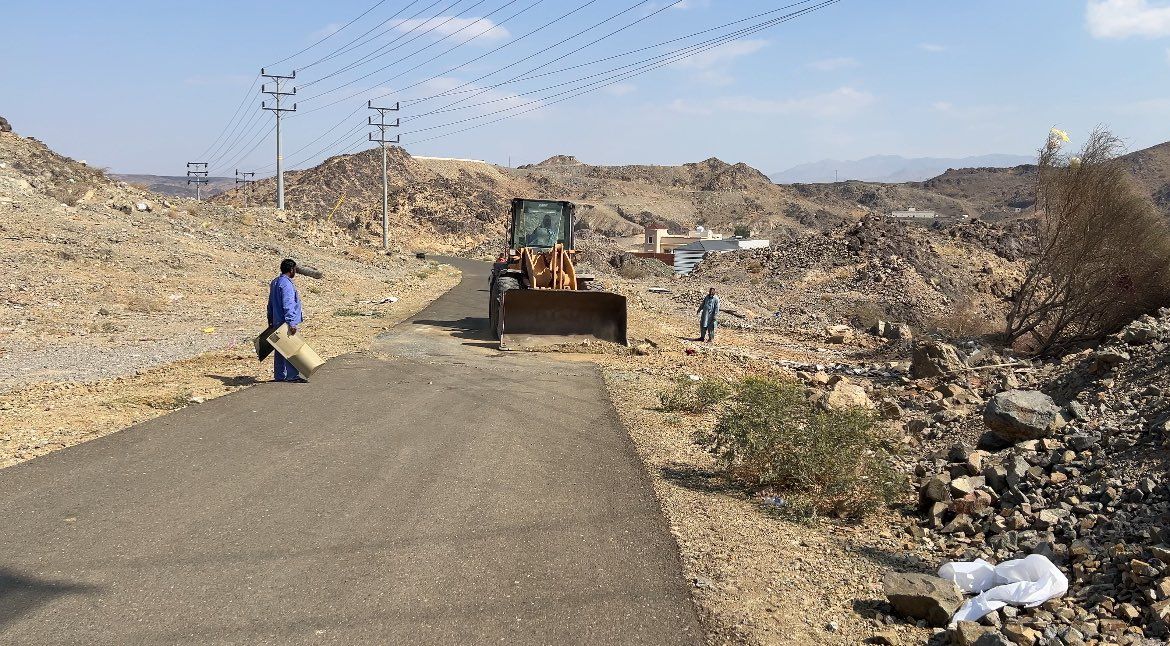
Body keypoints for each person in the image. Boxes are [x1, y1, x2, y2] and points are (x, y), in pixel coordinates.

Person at [268, 258, 306, 383]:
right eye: (295, 269)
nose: (295, 272)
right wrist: (292, 323)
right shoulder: (286, 284)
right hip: (285, 321)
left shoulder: (275, 282)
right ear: (291, 269)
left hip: (276, 320)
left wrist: (270, 319)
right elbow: (288, 303)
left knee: (279, 349)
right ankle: (292, 375)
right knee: (291, 348)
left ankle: (279, 375)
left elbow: (270, 303)